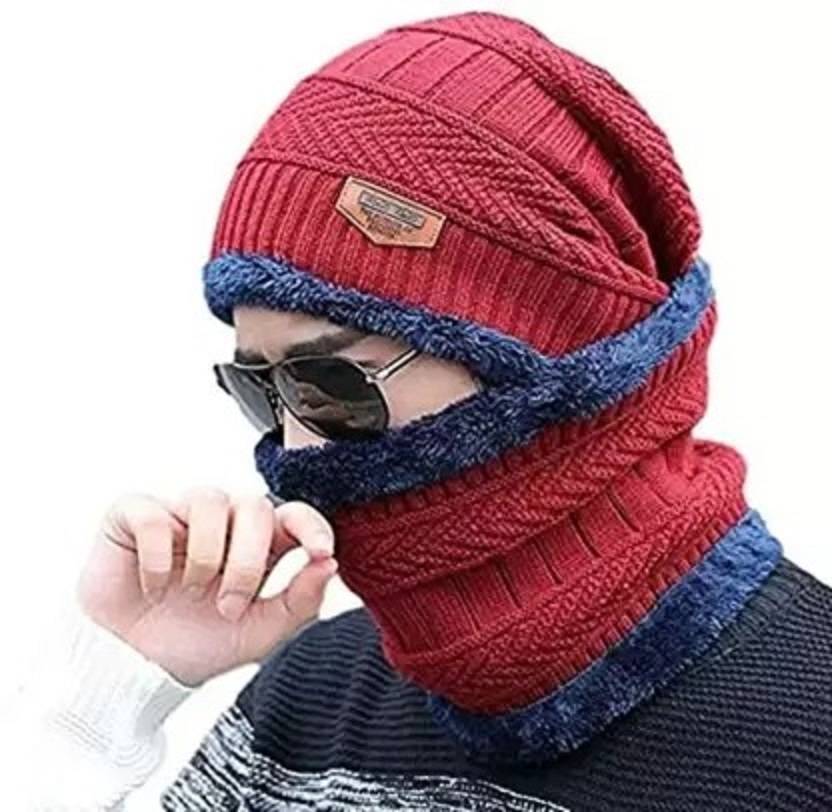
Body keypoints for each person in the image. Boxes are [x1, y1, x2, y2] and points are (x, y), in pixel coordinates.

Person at [8, 9, 832, 811]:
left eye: (333, 381)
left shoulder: (807, 732)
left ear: (553, 351)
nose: (296, 449)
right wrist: (99, 705)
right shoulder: (304, 707)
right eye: (261, 389)